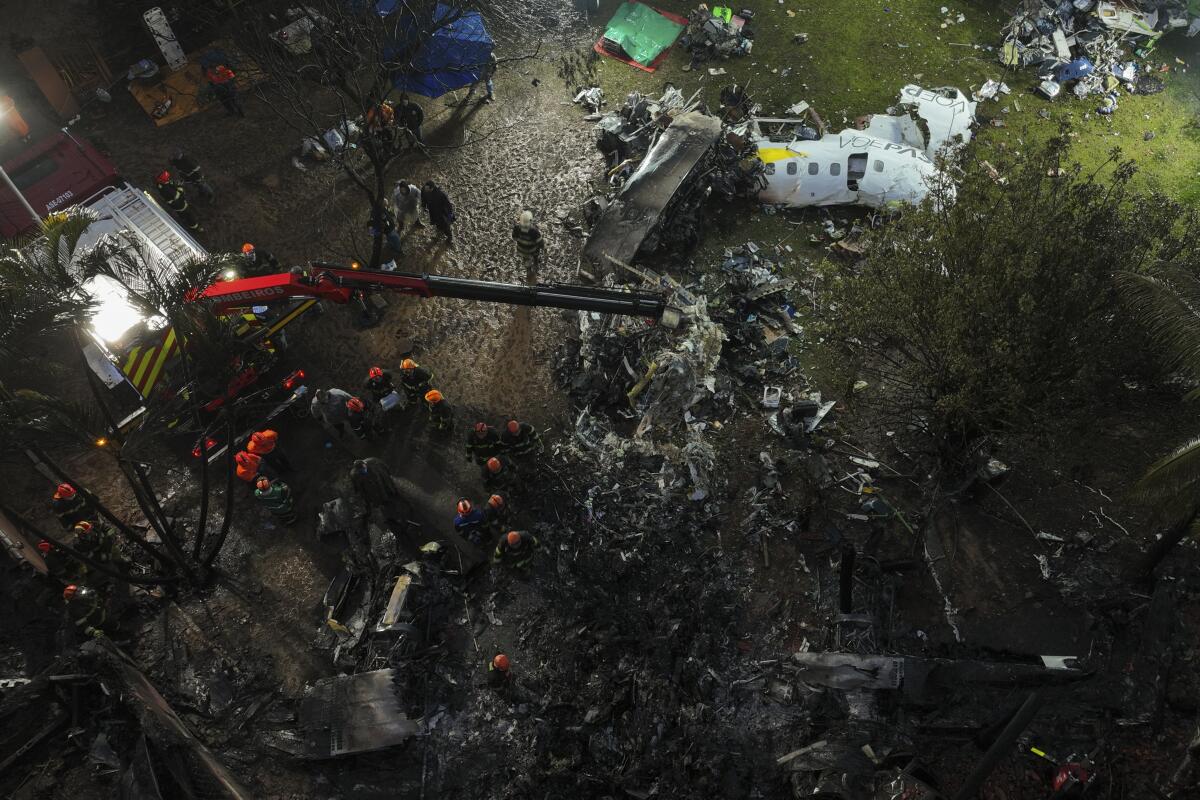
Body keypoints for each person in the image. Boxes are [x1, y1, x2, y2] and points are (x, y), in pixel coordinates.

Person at [512, 210, 544, 282]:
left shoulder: (517, 228)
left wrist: (521, 240)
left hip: (522, 250)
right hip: (533, 249)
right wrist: (543, 247)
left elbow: (514, 237)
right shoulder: (534, 230)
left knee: (526, 260)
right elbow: (540, 242)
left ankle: (528, 270)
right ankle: (535, 262)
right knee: (535, 255)